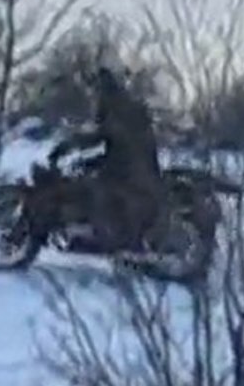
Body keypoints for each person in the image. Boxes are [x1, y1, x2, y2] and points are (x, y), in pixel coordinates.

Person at [46, 65, 165, 251]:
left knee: (94, 188)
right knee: (87, 175)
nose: (92, 97)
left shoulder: (117, 108)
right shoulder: (124, 106)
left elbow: (103, 136)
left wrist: (68, 146)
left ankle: (104, 238)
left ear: (102, 89)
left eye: (94, 91)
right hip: (134, 165)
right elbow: (113, 143)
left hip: (132, 170)